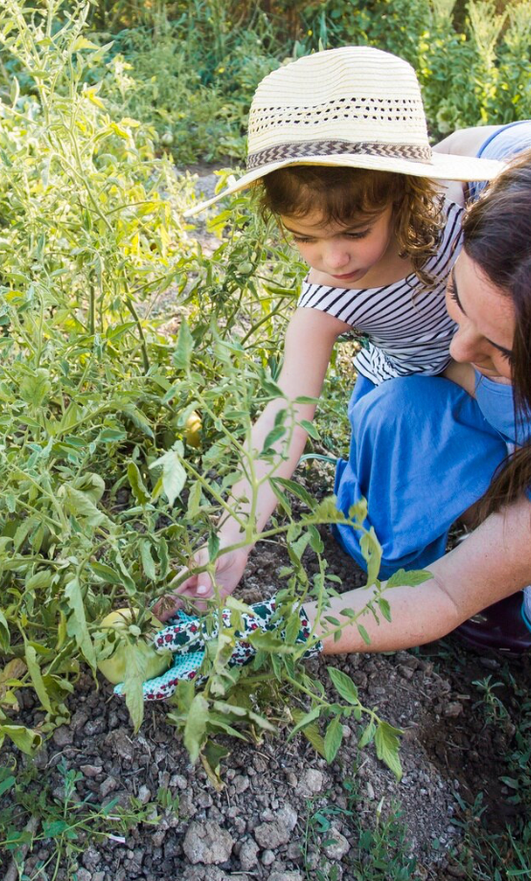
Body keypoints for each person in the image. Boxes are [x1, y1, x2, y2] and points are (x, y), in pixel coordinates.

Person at [135, 115, 531, 698]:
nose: (454, 346)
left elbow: (447, 590)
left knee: (504, 574)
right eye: (457, 295)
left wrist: (266, 629)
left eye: (501, 347)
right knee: (419, 412)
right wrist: (232, 540)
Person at [184, 45, 504, 600]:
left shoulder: (466, 208)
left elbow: (490, 142)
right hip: (404, 393)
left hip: (489, 368)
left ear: (407, 194)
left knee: (523, 418)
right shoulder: (326, 305)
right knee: (382, 541)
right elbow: (284, 418)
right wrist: (229, 546)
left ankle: (526, 547)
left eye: (355, 232)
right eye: (303, 238)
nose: (333, 260)